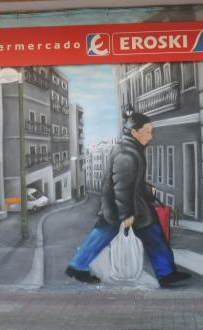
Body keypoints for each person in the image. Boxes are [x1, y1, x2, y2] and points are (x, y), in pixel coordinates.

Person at [65, 107, 191, 287]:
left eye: (151, 132)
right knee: (112, 233)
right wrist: (127, 215)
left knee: (144, 233)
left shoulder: (131, 149)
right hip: (122, 207)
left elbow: (133, 183)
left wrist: (147, 191)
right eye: (147, 132)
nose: (150, 136)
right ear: (134, 132)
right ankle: (166, 273)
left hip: (125, 205)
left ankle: (166, 272)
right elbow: (122, 187)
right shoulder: (127, 154)